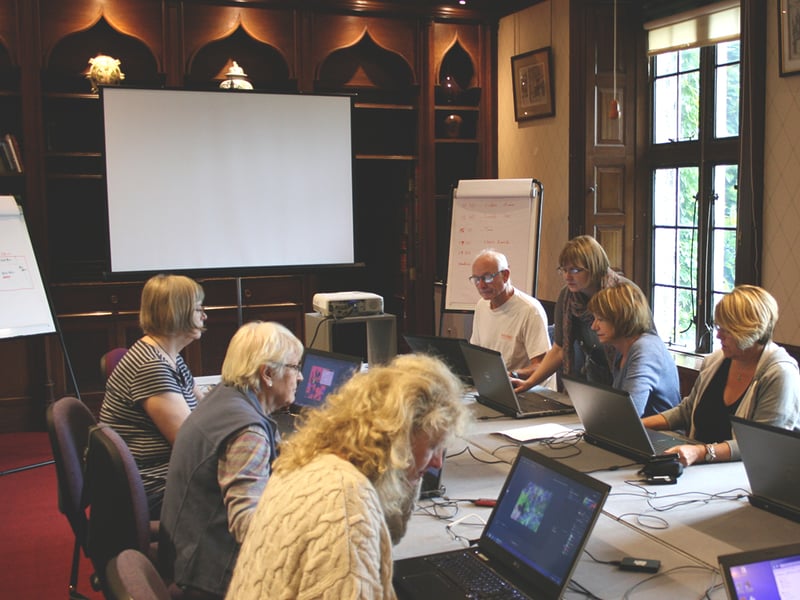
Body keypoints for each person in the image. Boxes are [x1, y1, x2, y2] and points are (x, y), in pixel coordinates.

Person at [225, 353, 471, 600]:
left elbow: (392, 529)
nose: (438, 462)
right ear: (397, 438)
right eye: (433, 446)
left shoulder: (308, 459)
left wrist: (407, 473)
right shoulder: (346, 504)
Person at [159, 321, 304, 600]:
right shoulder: (247, 433)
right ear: (268, 374)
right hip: (212, 578)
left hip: (186, 555)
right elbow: (248, 525)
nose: (299, 378)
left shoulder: (225, 398)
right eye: (295, 367)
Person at [642, 285, 800, 467]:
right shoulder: (716, 361)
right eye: (719, 327)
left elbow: (762, 444)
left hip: (743, 477)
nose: (718, 335)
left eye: (727, 330)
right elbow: (686, 411)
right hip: (701, 467)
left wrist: (702, 452)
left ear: (749, 330)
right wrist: (638, 425)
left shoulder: (779, 374)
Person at [99, 273, 206, 518]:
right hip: (153, 487)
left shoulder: (170, 357)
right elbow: (190, 443)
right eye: (198, 308)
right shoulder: (150, 366)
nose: (204, 315)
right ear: (176, 312)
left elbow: (206, 409)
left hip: (164, 474)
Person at [513, 235, 632, 393]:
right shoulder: (568, 297)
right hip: (595, 376)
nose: (567, 277)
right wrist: (529, 383)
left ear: (594, 267)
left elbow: (635, 350)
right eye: (563, 270)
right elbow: (559, 349)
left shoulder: (623, 294)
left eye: (575, 270)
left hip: (627, 376)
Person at [587, 282, 680, 416]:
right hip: (636, 432)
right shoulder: (622, 349)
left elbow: (629, 412)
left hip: (661, 435)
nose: (593, 326)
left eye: (600, 319)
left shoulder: (645, 348)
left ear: (621, 317)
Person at [469, 249, 554, 388]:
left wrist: (512, 375)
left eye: (488, 277)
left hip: (527, 390)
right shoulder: (481, 306)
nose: (481, 285)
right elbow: (477, 353)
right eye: (476, 279)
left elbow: (542, 365)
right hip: (495, 386)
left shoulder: (530, 310)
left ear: (505, 275)